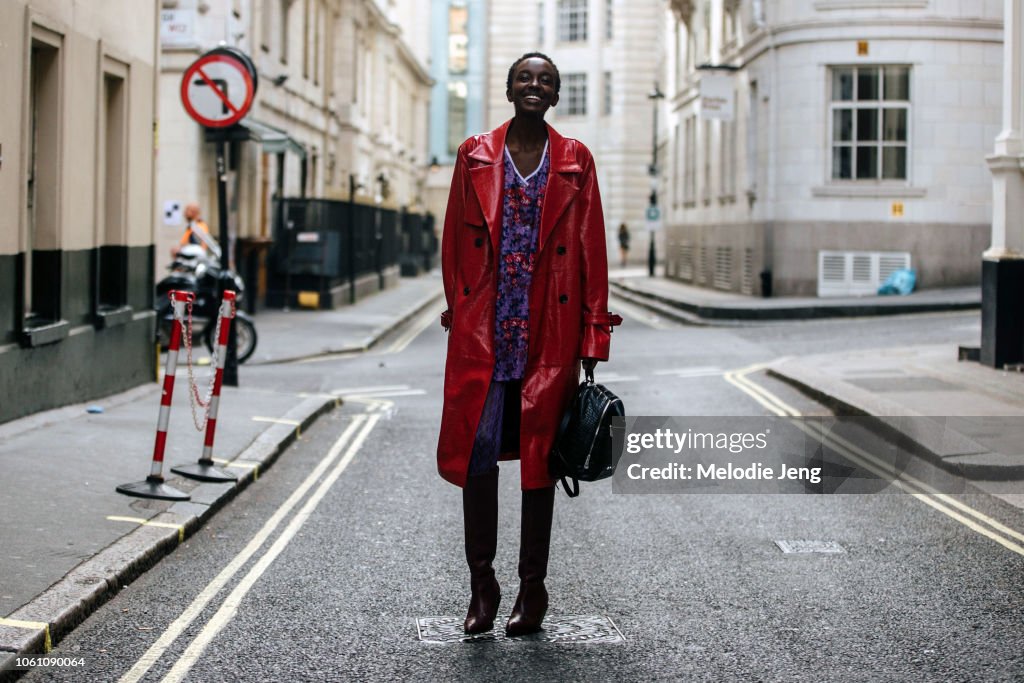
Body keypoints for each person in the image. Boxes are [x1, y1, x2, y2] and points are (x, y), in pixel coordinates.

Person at [437, 52, 621, 637]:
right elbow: (453, 245)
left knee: (540, 464)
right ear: (510, 88)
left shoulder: (575, 160)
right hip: (487, 333)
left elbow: (591, 248)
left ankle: (532, 590)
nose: (534, 86)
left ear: (557, 93)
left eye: (546, 80)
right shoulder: (475, 154)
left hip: (550, 332)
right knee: (478, 457)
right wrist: (461, 312)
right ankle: (482, 585)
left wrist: (593, 332)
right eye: (525, 78)